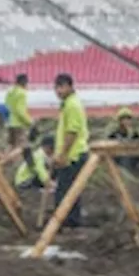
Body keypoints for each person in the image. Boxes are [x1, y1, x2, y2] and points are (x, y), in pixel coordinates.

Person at [52, 73, 89, 229]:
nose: (58, 91)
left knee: (65, 191)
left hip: (73, 155)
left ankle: (66, 222)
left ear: (69, 86)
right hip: (71, 154)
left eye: (61, 87)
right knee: (70, 190)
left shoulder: (72, 105)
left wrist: (63, 154)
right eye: (56, 87)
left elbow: (72, 132)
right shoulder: (68, 104)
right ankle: (71, 221)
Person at [108, 107, 139, 176]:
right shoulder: (114, 134)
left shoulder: (134, 133)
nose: (126, 121)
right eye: (124, 119)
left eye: (128, 119)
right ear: (120, 121)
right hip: (121, 159)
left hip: (132, 156)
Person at [4, 74, 33, 147]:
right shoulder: (22, 93)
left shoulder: (10, 91)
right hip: (18, 124)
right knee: (20, 147)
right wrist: (29, 122)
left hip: (9, 122)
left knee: (11, 146)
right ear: (24, 82)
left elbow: (7, 106)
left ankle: (5, 158)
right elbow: (20, 111)